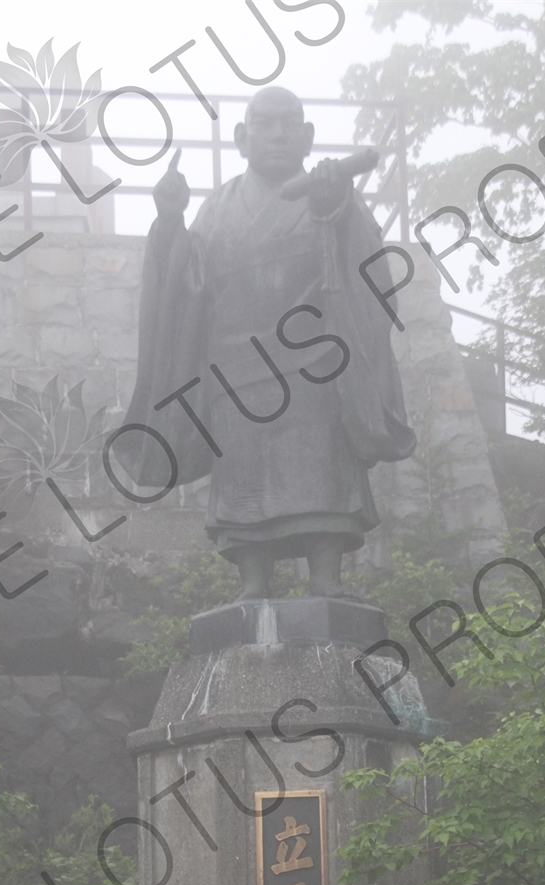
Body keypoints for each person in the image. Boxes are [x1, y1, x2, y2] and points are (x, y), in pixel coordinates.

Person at [123, 87, 415, 600]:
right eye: (264, 124)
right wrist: (170, 221)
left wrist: (334, 211)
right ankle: (252, 582)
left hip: (314, 362)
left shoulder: (332, 191)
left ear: (307, 137)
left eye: (289, 124)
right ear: (241, 138)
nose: (277, 134)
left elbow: (367, 269)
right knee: (243, 478)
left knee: (323, 463)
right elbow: (185, 285)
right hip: (237, 368)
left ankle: (326, 577)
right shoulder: (218, 208)